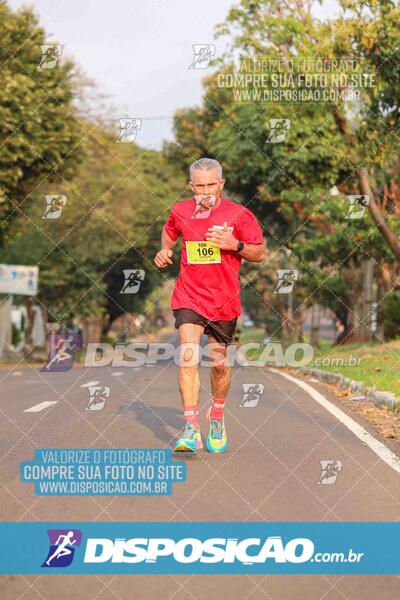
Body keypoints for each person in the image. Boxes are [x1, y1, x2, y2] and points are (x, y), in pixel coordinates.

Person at [154, 158, 265, 453]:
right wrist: (165, 249)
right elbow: (170, 231)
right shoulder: (180, 211)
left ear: (222, 184)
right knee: (188, 355)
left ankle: (216, 415)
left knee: (218, 364)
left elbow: (259, 253)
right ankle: (191, 428)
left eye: (211, 185)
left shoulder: (240, 215)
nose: (205, 191)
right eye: (199, 186)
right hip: (189, 295)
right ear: (191, 186)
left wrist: (235, 245)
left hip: (223, 300)